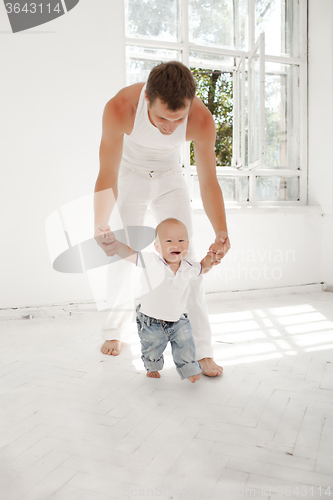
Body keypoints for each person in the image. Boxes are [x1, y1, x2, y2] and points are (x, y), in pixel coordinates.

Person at [94, 61, 231, 377]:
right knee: (122, 253)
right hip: (130, 175)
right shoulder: (120, 108)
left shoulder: (201, 119)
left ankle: (203, 351)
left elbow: (209, 180)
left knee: (188, 259)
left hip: (170, 177)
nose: (171, 127)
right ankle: (114, 330)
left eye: (178, 119)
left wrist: (221, 230)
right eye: (162, 119)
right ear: (146, 99)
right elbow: (107, 171)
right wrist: (101, 222)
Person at [107, 218, 219, 383]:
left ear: (187, 244)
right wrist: (114, 243)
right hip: (150, 319)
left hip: (179, 320)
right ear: (157, 246)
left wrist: (212, 257)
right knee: (152, 348)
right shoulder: (151, 261)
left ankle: (188, 368)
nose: (176, 244)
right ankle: (152, 366)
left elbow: (204, 267)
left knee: (186, 345)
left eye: (181, 241)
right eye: (169, 241)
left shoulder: (188, 266)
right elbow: (130, 254)